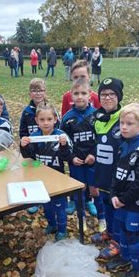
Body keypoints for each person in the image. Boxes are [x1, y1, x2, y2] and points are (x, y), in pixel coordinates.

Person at [107, 103, 139, 277]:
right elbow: (117, 173)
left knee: (131, 233)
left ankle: (138, 269)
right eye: (121, 123)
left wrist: (124, 199)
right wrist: (113, 194)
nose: (123, 127)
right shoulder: (124, 144)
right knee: (121, 230)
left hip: (136, 202)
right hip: (120, 200)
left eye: (129, 124)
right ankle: (125, 258)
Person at [20, 103, 73, 241]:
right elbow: (28, 156)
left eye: (49, 119)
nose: (46, 123)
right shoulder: (34, 136)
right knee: (47, 206)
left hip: (57, 179)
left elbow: (67, 157)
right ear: (36, 120)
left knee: (59, 207)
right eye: (42, 120)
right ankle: (52, 224)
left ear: (55, 119)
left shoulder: (61, 135)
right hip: (41, 180)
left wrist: (64, 146)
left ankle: (62, 230)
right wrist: (24, 146)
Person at [90, 78, 124, 259]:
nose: (108, 97)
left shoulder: (125, 117)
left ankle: (117, 241)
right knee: (105, 204)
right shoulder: (97, 118)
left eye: (112, 94)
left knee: (117, 209)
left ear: (119, 96)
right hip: (102, 172)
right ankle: (109, 233)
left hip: (118, 176)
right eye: (104, 94)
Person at [60, 78, 99, 225]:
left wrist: (94, 154)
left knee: (95, 189)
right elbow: (64, 143)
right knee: (80, 189)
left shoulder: (97, 115)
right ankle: (80, 215)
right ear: (71, 95)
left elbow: (100, 139)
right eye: (76, 93)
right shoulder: (67, 118)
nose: (80, 96)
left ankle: (101, 216)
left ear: (90, 94)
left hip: (92, 160)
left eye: (84, 93)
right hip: (76, 162)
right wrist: (71, 158)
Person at [19, 78, 60, 215]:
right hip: (33, 151)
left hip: (49, 150)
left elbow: (57, 130)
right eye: (34, 91)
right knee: (34, 176)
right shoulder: (26, 112)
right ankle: (35, 201)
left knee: (51, 175)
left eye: (40, 90)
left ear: (45, 92)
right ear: (30, 93)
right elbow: (23, 131)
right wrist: (25, 142)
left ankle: (53, 196)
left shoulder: (51, 109)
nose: (38, 93)